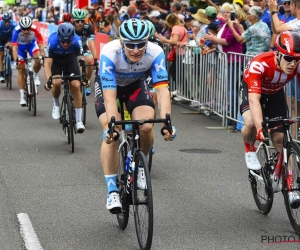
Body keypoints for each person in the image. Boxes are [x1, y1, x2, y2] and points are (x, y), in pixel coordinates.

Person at [96, 18, 176, 213]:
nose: (136, 50)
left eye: (141, 45)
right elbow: (109, 97)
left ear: (147, 42)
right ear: (122, 42)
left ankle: (139, 164)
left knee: (147, 126)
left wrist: (167, 121)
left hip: (135, 87)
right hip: (111, 88)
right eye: (130, 45)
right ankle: (112, 189)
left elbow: (163, 91)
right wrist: (114, 126)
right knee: (112, 133)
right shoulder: (109, 52)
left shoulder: (155, 52)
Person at [240, 31, 300, 207]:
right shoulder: (260, 63)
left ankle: (290, 187)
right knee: (251, 123)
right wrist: (260, 128)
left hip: (275, 94)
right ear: (278, 54)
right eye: (288, 58)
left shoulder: (297, 64)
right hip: (252, 91)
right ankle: (249, 149)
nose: (293, 63)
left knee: (281, 139)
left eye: (297, 59)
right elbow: (254, 100)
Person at [44, 23, 86, 133]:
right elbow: (47, 64)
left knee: (76, 86)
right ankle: (56, 104)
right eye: (63, 41)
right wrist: (49, 80)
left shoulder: (77, 40)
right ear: (59, 38)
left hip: (70, 60)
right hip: (56, 61)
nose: (66, 44)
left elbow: (81, 61)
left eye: (68, 42)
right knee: (56, 82)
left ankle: (78, 121)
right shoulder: (52, 41)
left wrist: (83, 76)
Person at [12, 17, 44, 106]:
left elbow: (41, 44)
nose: (26, 31)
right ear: (20, 27)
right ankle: (22, 97)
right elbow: (14, 48)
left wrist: (42, 55)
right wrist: (16, 60)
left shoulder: (35, 29)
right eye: (24, 29)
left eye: (28, 29)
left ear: (31, 27)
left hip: (31, 46)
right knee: (21, 69)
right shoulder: (16, 31)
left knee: (38, 59)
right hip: (20, 49)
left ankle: (35, 76)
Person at [72, 9, 98, 96]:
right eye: (77, 21)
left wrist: (95, 59)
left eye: (82, 21)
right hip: (72, 49)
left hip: (83, 48)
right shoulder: (70, 28)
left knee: (89, 60)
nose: (80, 23)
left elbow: (91, 44)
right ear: (73, 21)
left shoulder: (89, 28)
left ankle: (86, 81)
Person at [0, 13, 17, 82]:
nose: (7, 23)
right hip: (1, 39)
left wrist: (12, 42)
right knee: (1, 55)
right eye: (5, 22)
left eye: (8, 22)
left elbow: (17, 33)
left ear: (10, 20)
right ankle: (1, 74)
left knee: (12, 47)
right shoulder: (0, 25)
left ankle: (12, 60)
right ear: (2, 21)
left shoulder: (14, 24)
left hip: (9, 38)